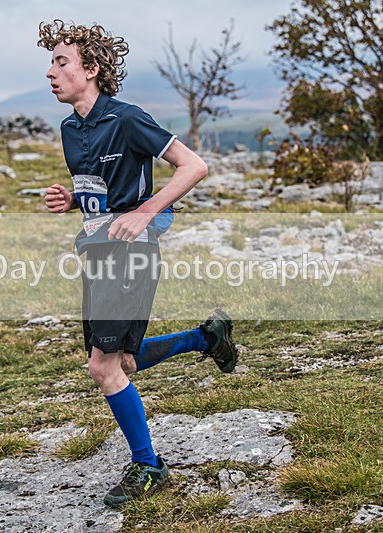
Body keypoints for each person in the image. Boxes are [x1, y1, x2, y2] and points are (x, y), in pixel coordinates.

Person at [38, 19, 238, 508]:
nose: (51, 72)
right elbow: (103, 190)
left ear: (92, 69)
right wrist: (74, 201)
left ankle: (150, 466)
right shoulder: (70, 128)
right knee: (122, 361)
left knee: (103, 367)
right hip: (98, 252)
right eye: (51, 62)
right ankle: (205, 338)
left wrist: (146, 210)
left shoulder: (127, 119)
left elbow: (194, 166)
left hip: (133, 253)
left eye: (61, 62)